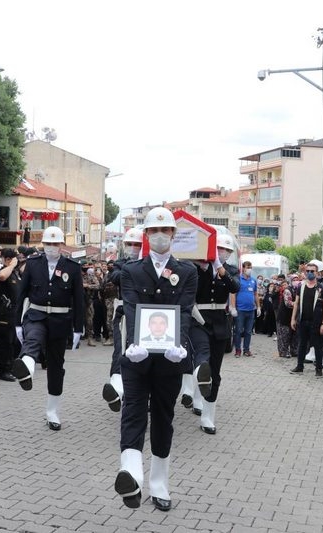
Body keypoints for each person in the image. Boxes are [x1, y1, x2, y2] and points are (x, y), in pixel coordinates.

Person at [114, 207, 197, 512]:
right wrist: (136, 344)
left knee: (163, 419)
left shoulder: (187, 272)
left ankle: (160, 484)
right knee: (133, 413)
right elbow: (133, 309)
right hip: (138, 359)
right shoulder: (131, 272)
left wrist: (180, 346)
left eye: (165, 230)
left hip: (170, 362)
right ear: (147, 236)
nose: (160, 236)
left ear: (173, 235)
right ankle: (132, 476)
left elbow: (185, 312)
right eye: (153, 231)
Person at [11, 226, 84, 431]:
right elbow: (21, 295)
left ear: (61, 245)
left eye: (55, 244)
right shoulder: (33, 264)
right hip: (36, 314)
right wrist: (17, 322)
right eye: (48, 244)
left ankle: (52, 411)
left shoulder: (72, 267)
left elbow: (79, 300)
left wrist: (78, 328)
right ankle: (26, 368)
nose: (52, 247)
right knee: (32, 339)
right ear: (43, 244)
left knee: (56, 366)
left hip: (60, 320)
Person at [186, 233, 240, 434]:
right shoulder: (195, 268)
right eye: (219, 249)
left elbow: (235, 286)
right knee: (202, 360)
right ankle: (195, 394)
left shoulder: (230, 270)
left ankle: (208, 416)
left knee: (215, 372)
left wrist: (220, 268)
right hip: (199, 320)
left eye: (226, 250)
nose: (222, 253)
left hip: (220, 322)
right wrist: (202, 267)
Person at [101, 227, 143, 413]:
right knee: (120, 351)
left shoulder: (148, 264)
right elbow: (115, 276)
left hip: (145, 315)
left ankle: (141, 395)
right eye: (130, 244)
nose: (133, 247)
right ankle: (117, 389)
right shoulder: (121, 263)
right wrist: (136, 269)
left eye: (137, 244)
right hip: (124, 312)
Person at [289, 261, 323, 377]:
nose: (310, 273)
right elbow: (296, 304)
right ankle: (299, 366)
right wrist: (293, 319)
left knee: (318, 346)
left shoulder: (322, 288)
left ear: (317, 273)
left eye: (312, 271)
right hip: (303, 321)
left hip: (316, 322)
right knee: (302, 344)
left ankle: (319, 369)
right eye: (308, 271)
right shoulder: (300, 286)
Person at [0, 248, 19, 383]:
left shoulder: (14, 273)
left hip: (13, 314)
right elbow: (1, 276)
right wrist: (12, 265)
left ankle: (10, 368)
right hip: (4, 314)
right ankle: (4, 371)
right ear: (8, 259)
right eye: (14, 259)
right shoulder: (3, 271)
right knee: (5, 343)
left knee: (12, 343)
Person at [231, 261, 260, 357]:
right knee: (238, 331)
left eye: (251, 267)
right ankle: (238, 350)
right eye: (248, 267)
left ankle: (246, 350)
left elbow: (255, 294)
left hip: (251, 310)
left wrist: (258, 307)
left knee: (248, 331)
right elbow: (233, 294)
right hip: (240, 310)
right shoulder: (238, 279)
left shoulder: (253, 280)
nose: (249, 269)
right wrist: (233, 308)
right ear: (243, 268)